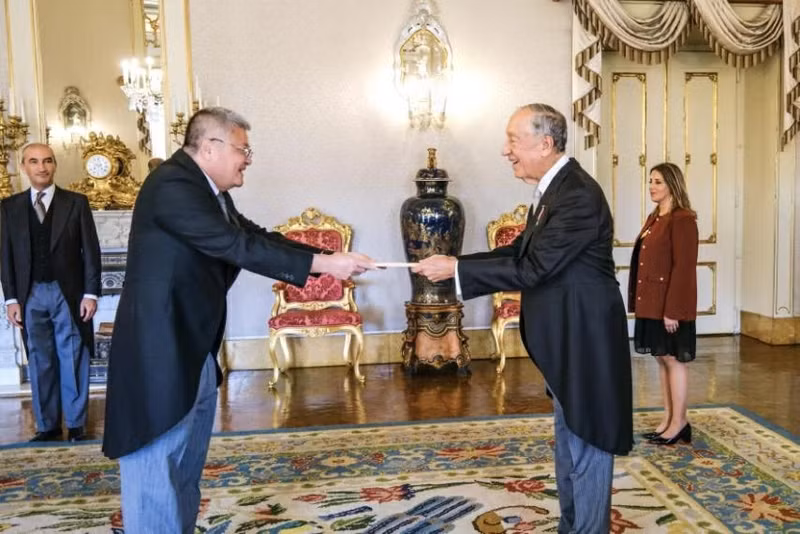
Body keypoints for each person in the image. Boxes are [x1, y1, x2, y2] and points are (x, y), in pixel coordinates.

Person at [101, 107, 375, 533]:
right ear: (210, 147)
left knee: (184, 470)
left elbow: (255, 237)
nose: (248, 158)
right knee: (155, 469)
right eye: (243, 149)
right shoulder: (172, 185)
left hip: (192, 349)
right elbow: (235, 246)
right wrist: (324, 262)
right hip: (160, 353)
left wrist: (329, 262)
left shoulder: (208, 192)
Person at [413, 103, 633, 533]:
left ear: (545, 143)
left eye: (514, 140)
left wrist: (456, 270)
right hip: (566, 337)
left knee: (588, 441)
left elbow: (534, 270)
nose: (506, 150)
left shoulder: (577, 195)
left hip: (584, 338)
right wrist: (455, 262)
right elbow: (521, 254)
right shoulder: (556, 190)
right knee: (570, 440)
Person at [1, 143, 101, 442]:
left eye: (47, 161)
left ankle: (76, 424)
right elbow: (4, 256)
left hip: (67, 292)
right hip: (29, 294)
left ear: (54, 165)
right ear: (24, 167)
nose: (41, 167)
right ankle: (47, 426)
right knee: (39, 358)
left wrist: (90, 293)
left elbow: (91, 252)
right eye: (34, 161)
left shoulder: (76, 203)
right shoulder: (9, 207)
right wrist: (11, 299)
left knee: (72, 355)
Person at [630, 162, 698, 446]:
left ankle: (680, 423)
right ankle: (669, 418)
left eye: (658, 181)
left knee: (673, 360)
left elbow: (683, 268)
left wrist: (674, 311)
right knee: (662, 359)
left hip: (669, 306)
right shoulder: (655, 218)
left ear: (672, 184)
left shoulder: (682, 219)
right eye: (650, 181)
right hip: (652, 302)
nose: (652, 187)